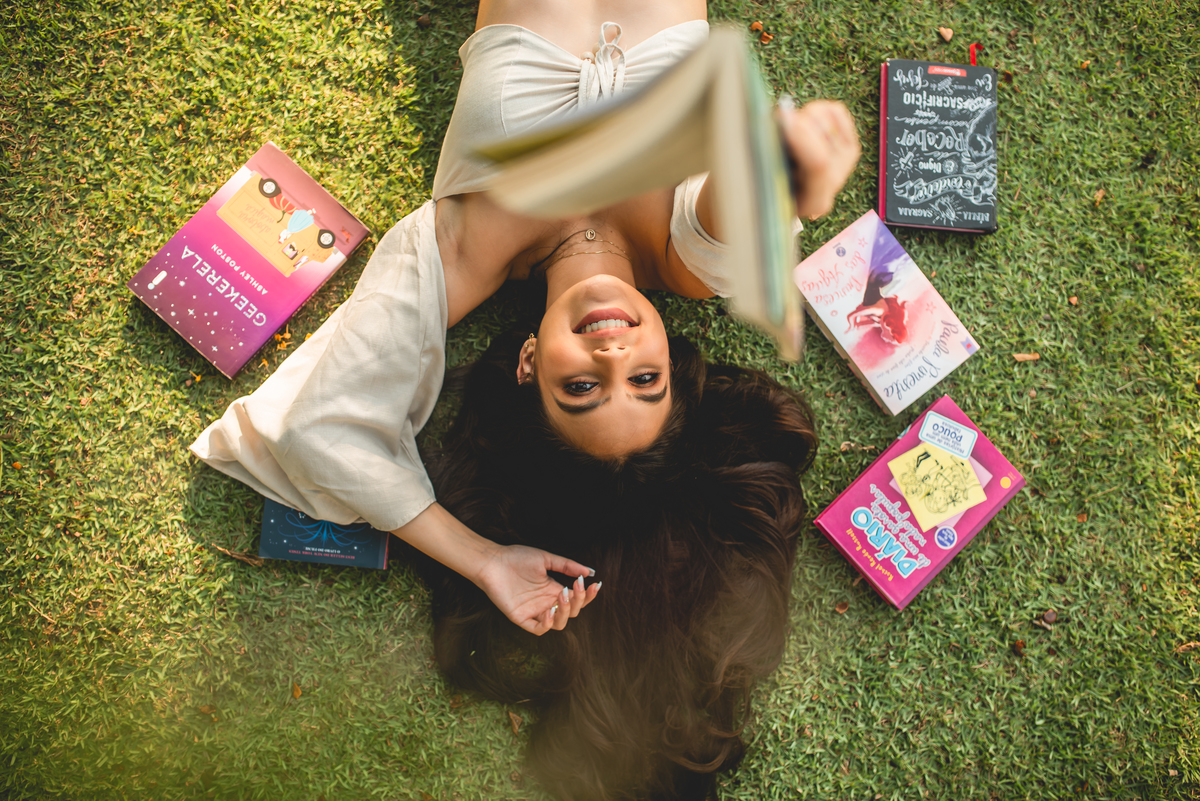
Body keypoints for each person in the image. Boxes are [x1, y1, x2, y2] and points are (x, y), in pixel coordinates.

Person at [190, 0, 859, 639]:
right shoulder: (694, 260)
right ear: (667, 358)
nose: (614, 355)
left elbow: (318, 432)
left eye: (582, 388)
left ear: (529, 363)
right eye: (644, 379)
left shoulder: (463, 254)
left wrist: (484, 560)